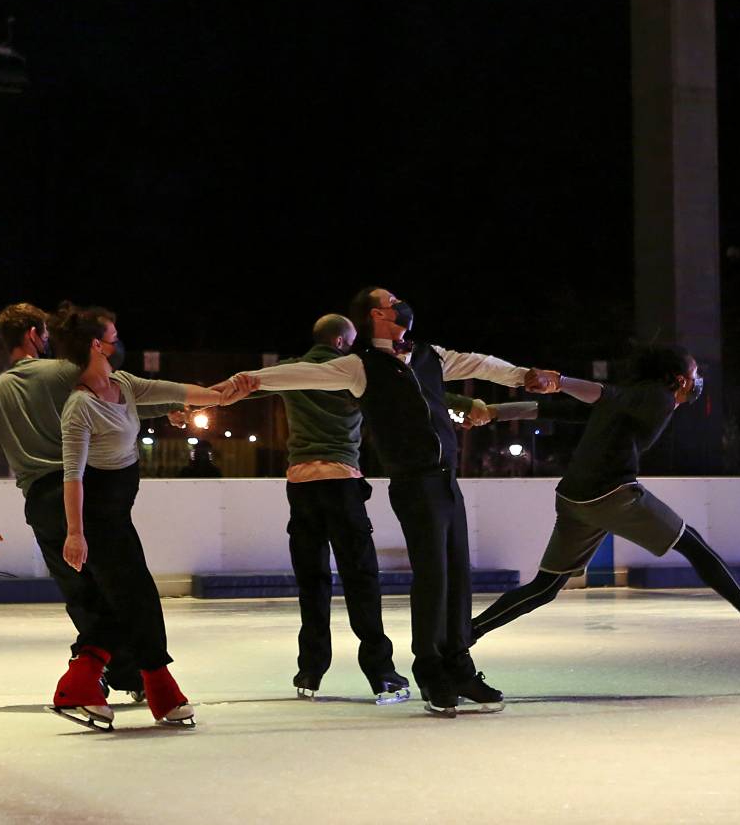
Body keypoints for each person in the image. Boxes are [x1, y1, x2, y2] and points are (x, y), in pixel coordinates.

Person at [229, 288, 558, 717]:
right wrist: (243, 382)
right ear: (376, 315)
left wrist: (523, 375)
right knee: (433, 579)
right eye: (392, 299)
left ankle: (459, 667)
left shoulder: (429, 355)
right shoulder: (358, 367)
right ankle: (431, 671)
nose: (402, 302)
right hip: (413, 483)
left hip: (447, 482)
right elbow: (298, 375)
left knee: (458, 576)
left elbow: (479, 362)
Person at [470, 345, 740, 651]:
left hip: (575, 499)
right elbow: (602, 393)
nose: (698, 379)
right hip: (611, 495)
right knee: (693, 544)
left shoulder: (634, 398)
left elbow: (550, 411)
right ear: (679, 380)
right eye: (695, 374)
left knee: (545, 587)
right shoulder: (657, 396)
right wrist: (560, 380)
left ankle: (464, 635)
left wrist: (496, 412)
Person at [50, 302, 255, 729]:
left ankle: (78, 682)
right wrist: (75, 533)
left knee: (116, 606)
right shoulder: (79, 407)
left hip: (118, 513)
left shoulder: (123, 385)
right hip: (98, 518)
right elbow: (73, 476)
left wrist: (220, 395)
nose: (117, 340)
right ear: (96, 345)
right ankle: (160, 685)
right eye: (112, 335)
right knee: (139, 599)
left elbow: (175, 391)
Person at [0, 303, 159, 706]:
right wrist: (172, 406)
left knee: (82, 597)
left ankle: (113, 675)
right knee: (121, 589)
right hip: (83, 495)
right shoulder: (63, 371)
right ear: (35, 335)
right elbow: (114, 394)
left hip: (39, 506)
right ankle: (117, 674)